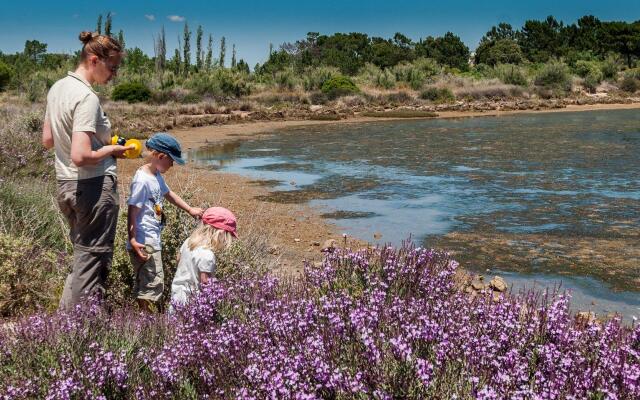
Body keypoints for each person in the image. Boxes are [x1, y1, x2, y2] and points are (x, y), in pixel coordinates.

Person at [41, 31, 133, 309]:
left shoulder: (58, 88)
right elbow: (81, 155)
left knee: (83, 258)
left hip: (65, 185)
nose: (114, 74)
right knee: (94, 261)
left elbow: (47, 140)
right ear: (94, 60)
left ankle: (64, 326)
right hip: (92, 187)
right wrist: (112, 151)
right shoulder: (86, 97)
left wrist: (95, 140)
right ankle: (82, 331)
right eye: (113, 67)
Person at [127, 132, 203, 312]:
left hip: (152, 238)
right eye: (171, 160)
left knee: (149, 280)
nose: (172, 164)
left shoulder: (155, 176)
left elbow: (168, 194)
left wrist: (190, 209)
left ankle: (145, 316)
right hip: (144, 241)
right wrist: (133, 240)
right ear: (161, 156)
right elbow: (132, 211)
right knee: (152, 282)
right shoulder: (142, 180)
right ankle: (146, 320)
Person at [170, 207, 237, 308]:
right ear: (221, 233)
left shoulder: (188, 242)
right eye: (228, 237)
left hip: (176, 298)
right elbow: (205, 283)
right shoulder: (208, 255)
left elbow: (178, 259)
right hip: (193, 305)